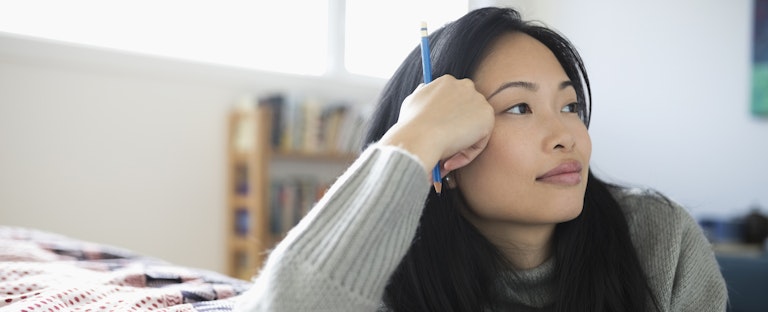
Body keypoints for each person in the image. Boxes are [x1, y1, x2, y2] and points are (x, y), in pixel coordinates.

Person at [235, 6, 727, 312]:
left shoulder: (661, 239)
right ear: (445, 156)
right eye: (518, 107)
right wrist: (415, 136)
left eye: (571, 106)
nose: (566, 136)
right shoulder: (387, 266)